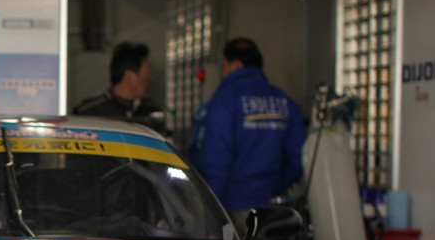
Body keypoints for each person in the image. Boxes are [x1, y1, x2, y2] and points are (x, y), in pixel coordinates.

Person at [188, 37, 305, 214]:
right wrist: (273, 187)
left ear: (234, 65)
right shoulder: (283, 101)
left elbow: (217, 161)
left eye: (224, 66)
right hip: (270, 208)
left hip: (232, 207)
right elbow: (297, 158)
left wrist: (210, 209)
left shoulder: (225, 100)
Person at [72, 41, 170, 136]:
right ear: (130, 76)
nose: (150, 78)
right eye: (146, 72)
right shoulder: (88, 113)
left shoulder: (152, 111)